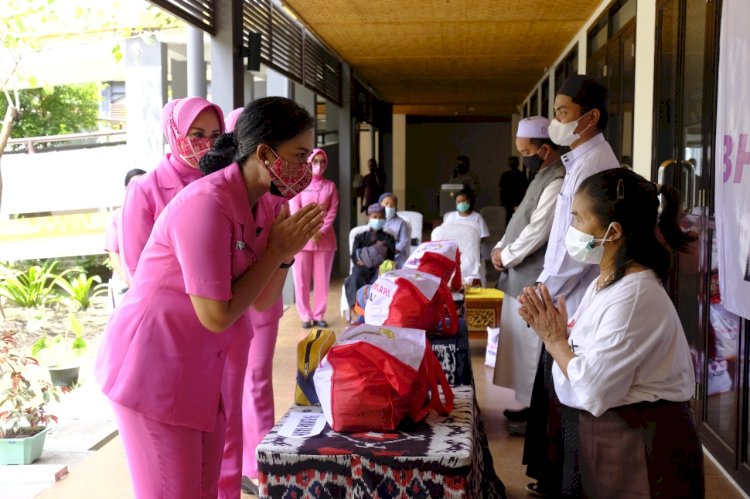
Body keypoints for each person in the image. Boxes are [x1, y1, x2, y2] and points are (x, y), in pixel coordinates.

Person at [95, 96, 324, 498]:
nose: (306, 169)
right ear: (266, 153)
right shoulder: (206, 204)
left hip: (200, 371)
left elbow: (261, 300)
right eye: (300, 155)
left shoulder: (263, 205)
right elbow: (216, 316)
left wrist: (284, 254)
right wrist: (274, 251)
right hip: (152, 371)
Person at [518, 168, 704, 498]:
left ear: (613, 232)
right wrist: (561, 335)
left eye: (577, 219)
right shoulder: (607, 281)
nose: (570, 230)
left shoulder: (634, 296)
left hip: (641, 448)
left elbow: (592, 388)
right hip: (609, 436)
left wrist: (555, 339)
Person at [523, 74, 621, 497]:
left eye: (563, 113)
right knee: (552, 386)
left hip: (572, 294)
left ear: (591, 117)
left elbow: (580, 246)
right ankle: (550, 477)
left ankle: (562, 482)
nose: (556, 123)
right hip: (561, 290)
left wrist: (543, 290)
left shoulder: (596, 162)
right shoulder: (578, 159)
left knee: (564, 390)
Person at [491, 117, 565, 432]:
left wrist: (505, 255)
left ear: (544, 150)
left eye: (526, 151)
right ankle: (527, 407)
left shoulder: (557, 178)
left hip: (531, 275)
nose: (523, 157)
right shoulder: (540, 175)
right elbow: (520, 219)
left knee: (530, 350)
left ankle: (536, 417)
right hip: (516, 271)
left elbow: (538, 230)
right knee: (518, 349)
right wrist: (499, 248)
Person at [119, 97, 224, 281]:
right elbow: (135, 267)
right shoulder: (144, 189)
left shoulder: (224, 180)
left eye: (215, 135)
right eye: (198, 135)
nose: (207, 144)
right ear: (175, 134)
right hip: (167, 303)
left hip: (222, 298)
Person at [290, 147, 339, 329]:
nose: (319, 165)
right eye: (315, 161)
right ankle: (305, 315)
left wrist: (321, 231)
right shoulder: (299, 185)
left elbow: (332, 210)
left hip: (325, 241)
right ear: (308, 162)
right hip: (302, 240)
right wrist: (310, 231)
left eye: (323, 162)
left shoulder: (330, 186)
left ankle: (319, 314)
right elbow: (294, 209)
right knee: (301, 280)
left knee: (322, 280)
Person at [344, 203, 396, 321]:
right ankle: (356, 311)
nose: (377, 220)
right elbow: (354, 256)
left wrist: (368, 257)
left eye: (380, 217)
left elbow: (390, 257)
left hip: (380, 268)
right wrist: (371, 256)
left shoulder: (389, 238)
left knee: (381, 281)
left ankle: (377, 314)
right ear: (369, 217)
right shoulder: (360, 237)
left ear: (385, 218)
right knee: (354, 278)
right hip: (362, 268)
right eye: (374, 217)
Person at [104, 168, 146, 308]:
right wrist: (129, 281)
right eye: (135, 185)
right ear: (125, 189)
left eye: (144, 184)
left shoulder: (159, 213)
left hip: (150, 284)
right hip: (125, 285)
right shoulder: (117, 216)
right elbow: (113, 252)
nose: (140, 189)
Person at [379, 192, 411, 268]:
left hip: (396, 254)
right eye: (386, 203)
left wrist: (391, 251)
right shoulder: (375, 221)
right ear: (380, 204)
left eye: (392, 204)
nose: (389, 206)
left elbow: (404, 241)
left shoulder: (401, 222)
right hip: (378, 253)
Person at [499, 156, 529, 225]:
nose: (512, 164)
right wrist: (501, 200)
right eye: (510, 162)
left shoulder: (521, 175)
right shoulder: (505, 175)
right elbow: (501, 188)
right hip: (507, 200)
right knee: (508, 218)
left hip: (518, 199)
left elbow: (525, 188)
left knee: (519, 218)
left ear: (518, 163)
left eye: (514, 162)